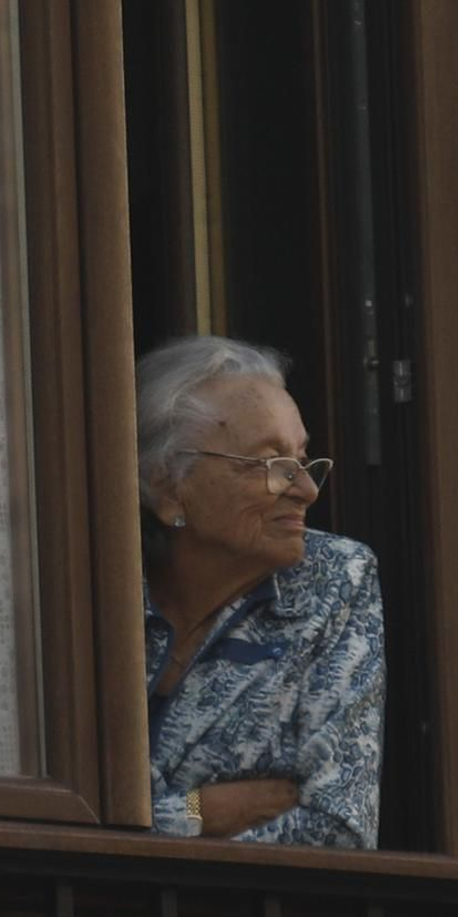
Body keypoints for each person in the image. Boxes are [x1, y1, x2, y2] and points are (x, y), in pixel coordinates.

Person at [137, 335, 384, 846]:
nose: (307, 490)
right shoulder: (99, 590)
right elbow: (69, 816)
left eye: (303, 459)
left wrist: (155, 823)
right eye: (272, 465)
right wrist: (198, 813)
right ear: (165, 486)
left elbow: (337, 829)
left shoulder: (334, 581)